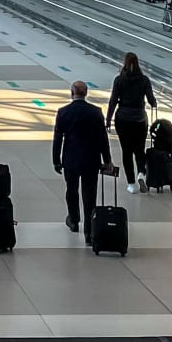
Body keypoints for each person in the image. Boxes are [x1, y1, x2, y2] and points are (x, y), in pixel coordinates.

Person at [51, 80, 112, 235]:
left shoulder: (63, 112)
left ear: (72, 93)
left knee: (72, 191)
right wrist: (107, 160)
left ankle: (74, 220)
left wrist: (56, 160)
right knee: (90, 194)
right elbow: (102, 139)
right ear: (86, 93)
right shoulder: (96, 112)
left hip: (71, 160)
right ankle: (89, 231)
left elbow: (58, 138)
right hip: (91, 160)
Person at [105, 52, 157, 193]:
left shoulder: (119, 80)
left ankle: (131, 184)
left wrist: (108, 119)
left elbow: (113, 101)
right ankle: (141, 173)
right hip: (140, 119)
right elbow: (151, 100)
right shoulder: (144, 80)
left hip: (123, 119)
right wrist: (153, 103)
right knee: (139, 150)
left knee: (126, 151)